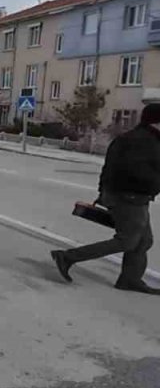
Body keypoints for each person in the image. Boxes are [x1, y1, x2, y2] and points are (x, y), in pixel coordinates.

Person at [51, 103, 160, 295]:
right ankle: (68, 257)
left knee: (144, 241)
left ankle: (130, 279)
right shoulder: (145, 142)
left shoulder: (131, 138)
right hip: (130, 197)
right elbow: (137, 173)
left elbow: (108, 167)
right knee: (128, 241)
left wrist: (103, 192)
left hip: (125, 196)